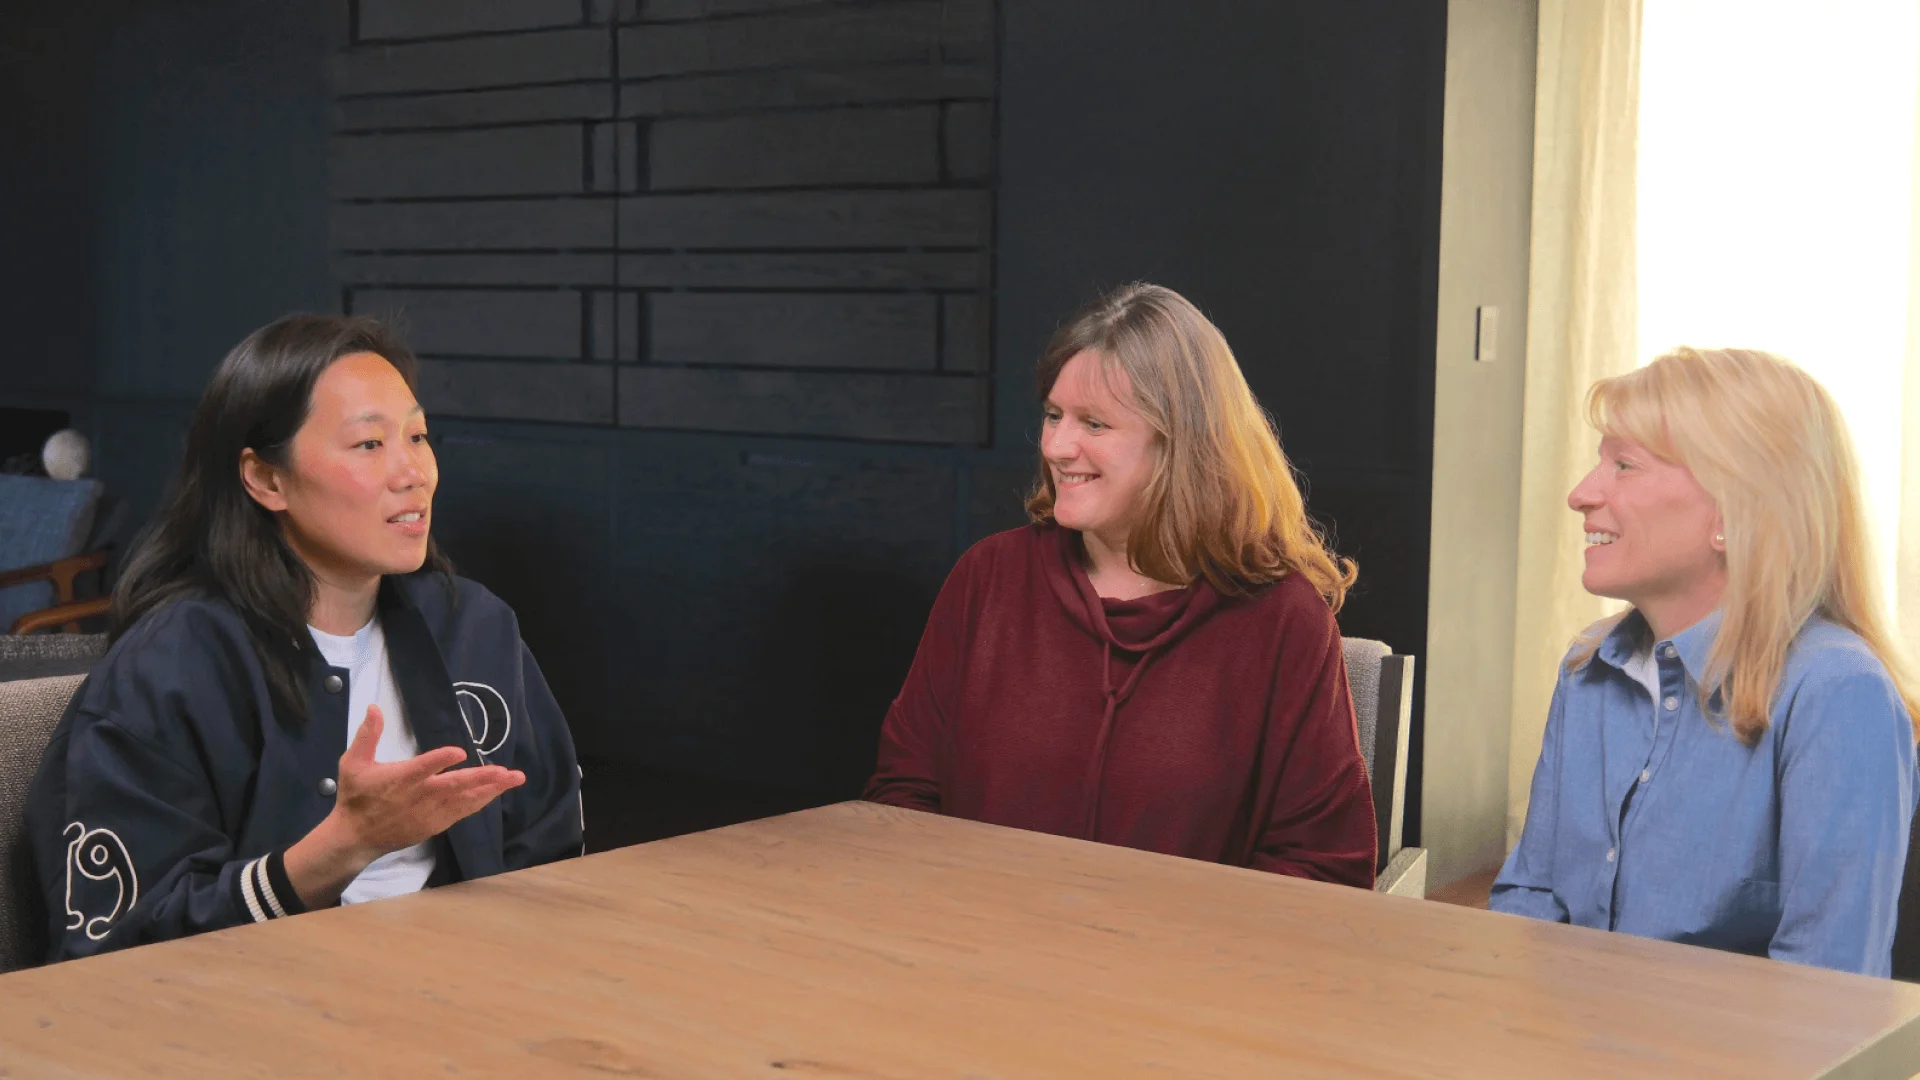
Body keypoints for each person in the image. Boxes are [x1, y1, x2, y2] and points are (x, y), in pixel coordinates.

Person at [28, 314, 582, 962]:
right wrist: (342, 846)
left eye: (417, 436)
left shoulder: (475, 628)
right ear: (267, 479)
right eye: (369, 444)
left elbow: (550, 850)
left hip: (463, 982)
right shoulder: (174, 662)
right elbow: (121, 943)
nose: (414, 472)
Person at [863, 283, 1376, 885]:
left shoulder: (1283, 619)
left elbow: (1322, 866)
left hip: (1183, 944)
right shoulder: (987, 577)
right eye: (1053, 415)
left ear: (1181, 444)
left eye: (1095, 423)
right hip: (975, 930)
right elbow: (904, 792)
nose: (1056, 446)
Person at [1492, 347, 1919, 976]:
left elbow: (1825, 992)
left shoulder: (1837, 693)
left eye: (1624, 465)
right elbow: (1530, 898)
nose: (1581, 494)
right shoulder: (1587, 668)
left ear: (1730, 511)